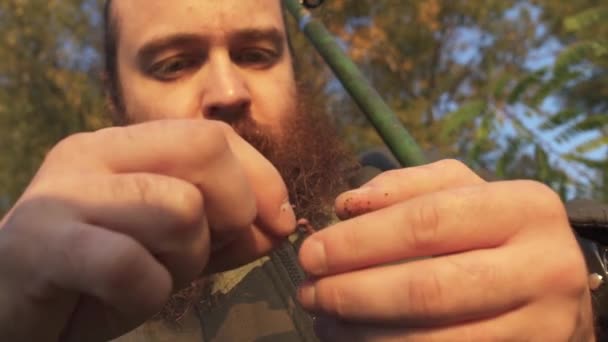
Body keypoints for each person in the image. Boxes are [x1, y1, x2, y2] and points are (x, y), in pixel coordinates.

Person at [0, 0, 598, 341]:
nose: (229, 89)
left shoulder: (414, 210)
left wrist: (590, 281)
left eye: (256, 54)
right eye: (174, 63)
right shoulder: (59, 302)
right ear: (114, 98)